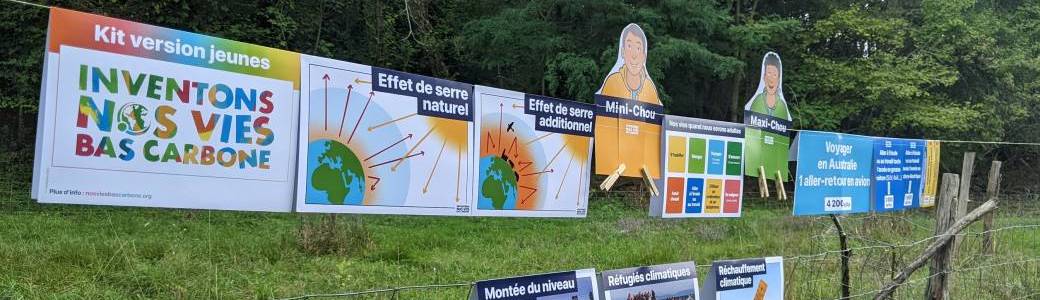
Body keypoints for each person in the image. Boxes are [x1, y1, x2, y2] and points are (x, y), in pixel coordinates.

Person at [598, 24, 660, 104]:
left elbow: (656, 114)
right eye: (629, 46)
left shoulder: (650, 89)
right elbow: (602, 113)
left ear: (644, 56)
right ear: (623, 52)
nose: (634, 55)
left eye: (638, 48)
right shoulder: (612, 82)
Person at [746, 53, 789, 119]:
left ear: (778, 79)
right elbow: (749, 125)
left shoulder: (782, 106)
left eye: (774, 75)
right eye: (769, 73)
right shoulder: (757, 100)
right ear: (764, 77)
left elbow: (786, 127)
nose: (771, 78)